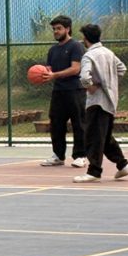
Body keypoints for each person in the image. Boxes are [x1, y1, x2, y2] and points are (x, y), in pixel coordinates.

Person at [73, 23, 128, 183]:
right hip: (110, 100)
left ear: (85, 39)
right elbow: (122, 69)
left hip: (96, 102)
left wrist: (91, 86)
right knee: (105, 137)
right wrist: (109, 82)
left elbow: (84, 77)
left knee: (93, 137)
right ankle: (123, 165)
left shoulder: (89, 56)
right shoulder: (108, 53)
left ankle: (94, 171)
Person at [38, 15, 87, 169]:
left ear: (67, 29)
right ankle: (58, 156)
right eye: (54, 29)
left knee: (79, 123)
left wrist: (54, 75)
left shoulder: (76, 46)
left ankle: (80, 156)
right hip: (58, 91)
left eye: (59, 28)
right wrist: (41, 74)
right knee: (56, 124)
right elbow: (49, 70)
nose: (56, 31)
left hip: (75, 90)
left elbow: (75, 69)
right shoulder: (52, 50)